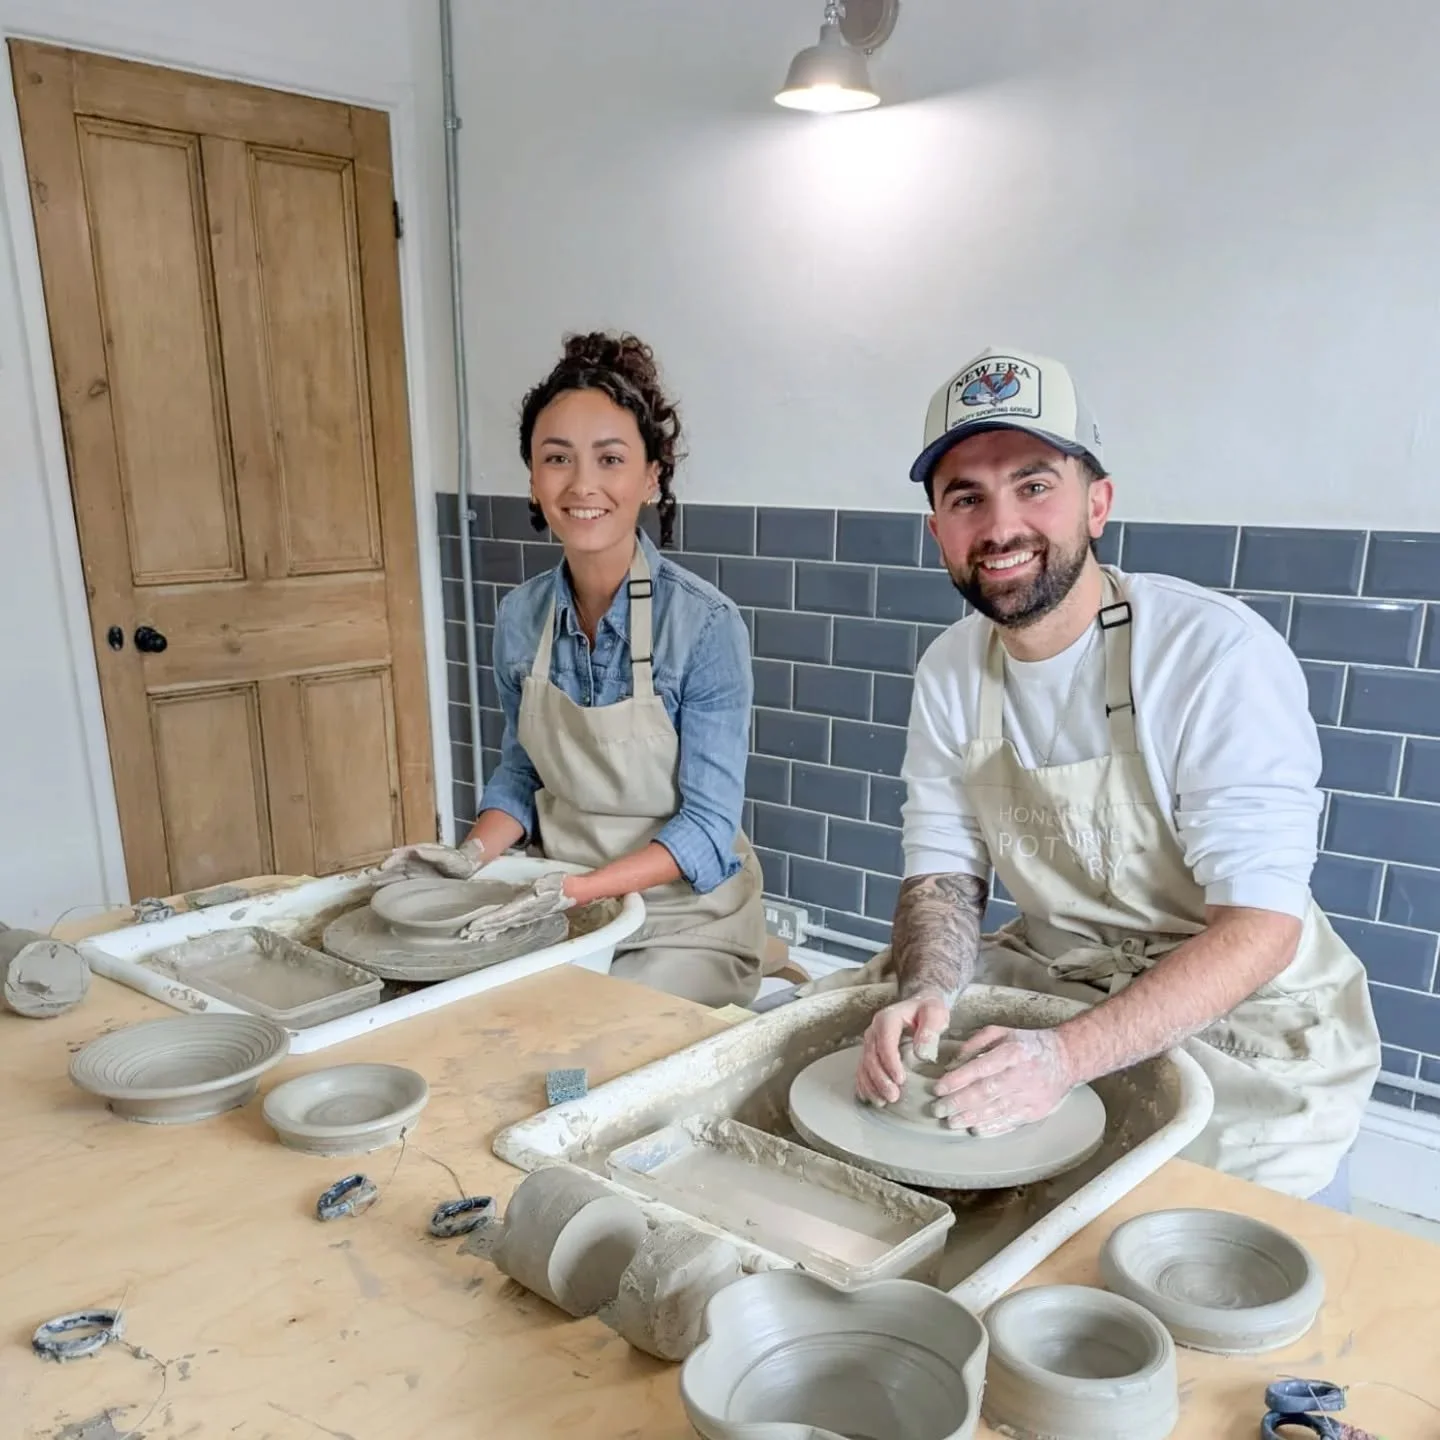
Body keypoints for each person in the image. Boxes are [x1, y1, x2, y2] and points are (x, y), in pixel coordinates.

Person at [853, 345, 1381, 1203]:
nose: (1000, 526)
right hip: (1064, 972)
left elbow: (1260, 929)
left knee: (1183, 1229)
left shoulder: (1212, 654)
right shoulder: (950, 670)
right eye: (966, 498)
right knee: (861, 1040)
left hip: (1246, 1014)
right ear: (938, 533)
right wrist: (926, 994)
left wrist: (1064, 1058)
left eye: (1034, 485)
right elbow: (944, 872)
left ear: (1096, 503)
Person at [386, 332, 766, 1007]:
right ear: (533, 478)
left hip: (685, 923)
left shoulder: (706, 626)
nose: (582, 484)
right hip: (564, 905)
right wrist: (471, 857)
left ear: (652, 477)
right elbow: (523, 772)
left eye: (610, 459)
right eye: (556, 459)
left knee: (590, 1037)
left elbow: (710, 827)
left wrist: (579, 890)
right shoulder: (519, 619)